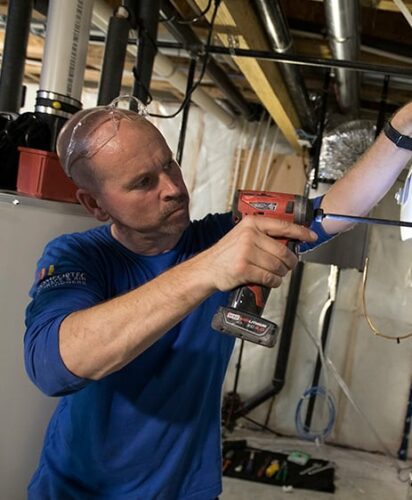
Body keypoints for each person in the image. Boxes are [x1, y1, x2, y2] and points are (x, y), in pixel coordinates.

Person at [24, 98, 412, 499]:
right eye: (143, 183)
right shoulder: (78, 257)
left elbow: (334, 212)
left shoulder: (223, 236)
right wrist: (207, 270)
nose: (173, 188)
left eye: (169, 165)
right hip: (80, 491)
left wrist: (403, 126)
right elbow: (53, 366)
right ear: (94, 204)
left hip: (189, 489)